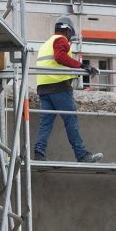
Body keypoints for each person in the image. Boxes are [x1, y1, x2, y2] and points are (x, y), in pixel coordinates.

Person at [33, 16, 103, 163]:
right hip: (59, 87)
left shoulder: (46, 44)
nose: (70, 38)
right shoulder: (61, 40)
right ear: (67, 30)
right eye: (70, 34)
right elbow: (60, 57)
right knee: (71, 121)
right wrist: (82, 66)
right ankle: (81, 155)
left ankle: (39, 153)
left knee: (45, 123)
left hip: (44, 89)